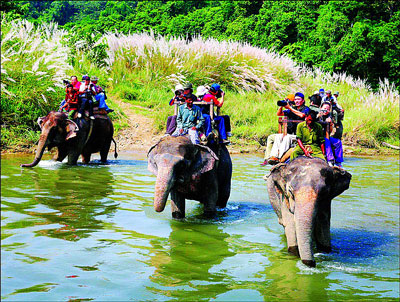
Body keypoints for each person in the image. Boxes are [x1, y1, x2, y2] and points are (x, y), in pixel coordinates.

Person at [261, 92, 310, 166]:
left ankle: (280, 158)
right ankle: (273, 157)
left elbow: (302, 115)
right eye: (295, 99)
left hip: (300, 135)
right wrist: (282, 106)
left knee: (287, 137)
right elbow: (279, 114)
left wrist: (290, 108)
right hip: (291, 133)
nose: (296, 101)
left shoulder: (306, 108)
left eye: (298, 99)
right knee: (277, 136)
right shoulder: (292, 109)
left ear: (303, 100)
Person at [318, 102, 344, 167]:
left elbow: (330, 131)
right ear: (321, 108)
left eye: (328, 109)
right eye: (324, 108)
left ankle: (339, 162)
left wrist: (330, 124)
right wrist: (318, 116)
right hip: (317, 136)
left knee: (338, 142)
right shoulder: (317, 115)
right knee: (327, 141)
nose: (326, 110)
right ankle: (330, 160)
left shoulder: (329, 116)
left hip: (325, 135)